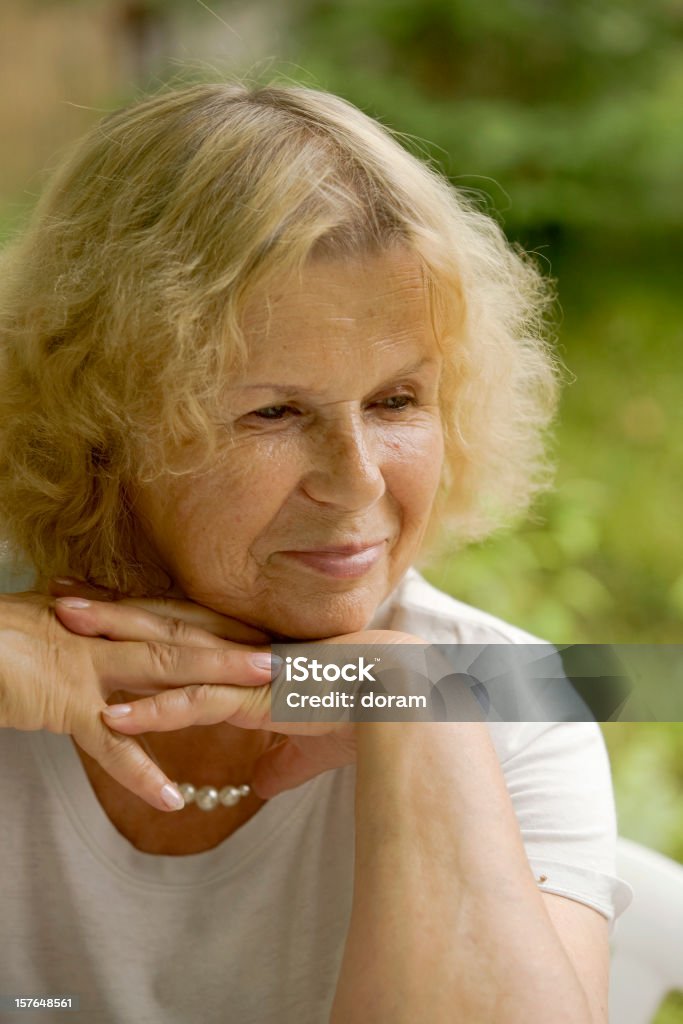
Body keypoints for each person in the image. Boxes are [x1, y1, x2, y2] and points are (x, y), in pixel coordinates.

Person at [0, 81, 631, 1023]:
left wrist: (414, 708)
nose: (360, 482)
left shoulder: (512, 707)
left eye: (396, 402)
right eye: (274, 411)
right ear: (99, 425)